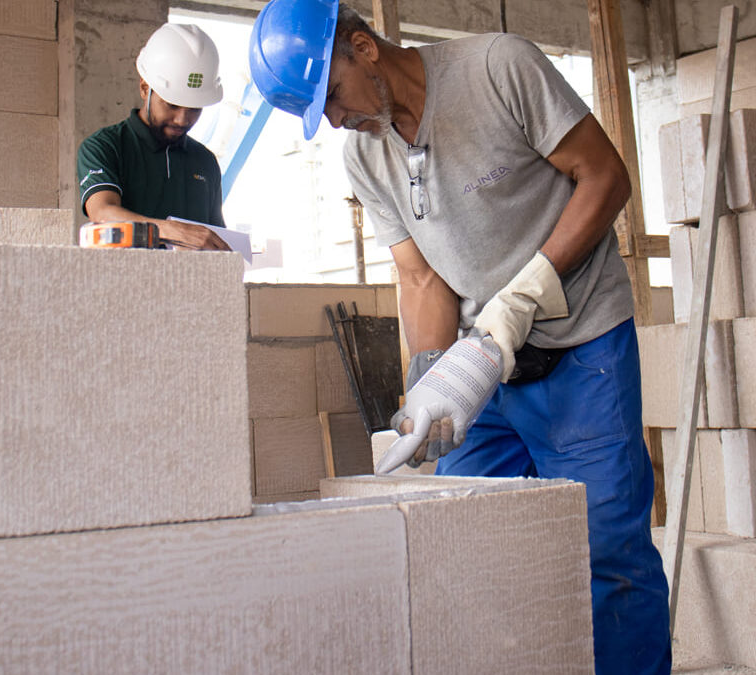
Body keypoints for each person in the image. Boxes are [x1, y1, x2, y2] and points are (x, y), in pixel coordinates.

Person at [249, 1, 671, 673]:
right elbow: (419, 276)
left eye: (330, 97)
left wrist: (523, 298)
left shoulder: (498, 68)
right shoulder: (364, 154)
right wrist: (428, 380)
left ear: (363, 48)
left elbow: (606, 176)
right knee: (465, 540)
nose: (334, 121)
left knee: (608, 550)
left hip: (582, 347)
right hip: (485, 371)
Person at [77, 23, 230, 251]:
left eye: (195, 108)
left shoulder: (205, 161)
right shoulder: (104, 147)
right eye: (172, 105)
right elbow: (103, 213)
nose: (182, 119)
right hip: (123, 284)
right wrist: (174, 232)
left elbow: (214, 236)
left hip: (191, 285)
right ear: (144, 88)